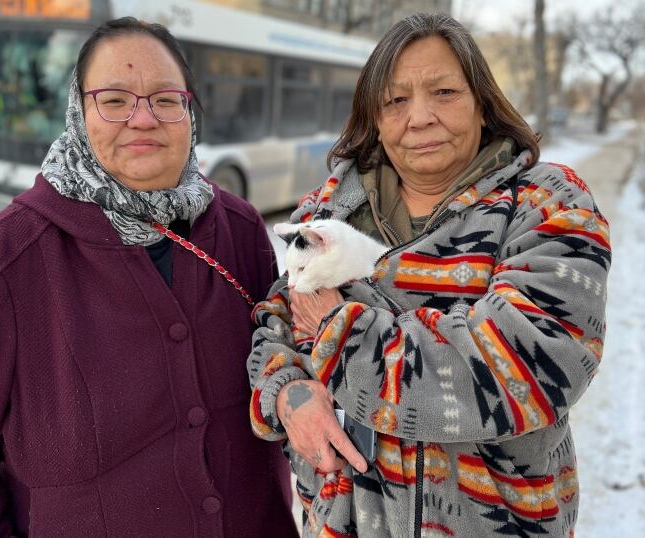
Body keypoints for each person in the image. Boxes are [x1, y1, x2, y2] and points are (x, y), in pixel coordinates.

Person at [0, 17, 297, 537]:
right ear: (78, 112)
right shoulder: (4, 259)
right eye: (113, 99)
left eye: (166, 98)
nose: (143, 118)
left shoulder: (239, 229)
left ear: (190, 113)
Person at [248, 12, 609, 538]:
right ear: (373, 117)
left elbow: (522, 368)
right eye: (395, 100)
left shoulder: (549, 205)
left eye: (443, 92)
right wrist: (287, 392)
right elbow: (274, 327)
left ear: (482, 103)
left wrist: (337, 333)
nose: (418, 117)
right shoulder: (328, 210)